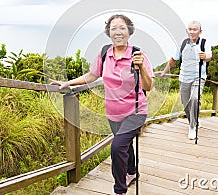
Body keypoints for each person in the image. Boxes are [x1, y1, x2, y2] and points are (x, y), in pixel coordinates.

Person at [51, 14, 154, 195]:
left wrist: (142, 67)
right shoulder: (104, 53)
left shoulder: (138, 55)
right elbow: (92, 76)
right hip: (113, 112)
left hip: (135, 111)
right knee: (125, 145)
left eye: (122, 28)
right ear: (108, 32)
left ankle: (119, 190)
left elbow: (148, 86)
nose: (118, 32)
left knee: (117, 147)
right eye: (113, 28)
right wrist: (68, 83)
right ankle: (132, 171)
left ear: (129, 31)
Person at [160, 20, 212, 140]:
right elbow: (173, 59)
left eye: (195, 29)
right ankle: (193, 119)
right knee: (186, 104)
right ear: (187, 31)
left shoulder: (204, 43)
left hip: (198, 77)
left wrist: (205, 57)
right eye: (190, 29)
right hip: (183, 78)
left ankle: (192, 126)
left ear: (200, 31)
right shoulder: (183, 43)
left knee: (194, 98)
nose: (192, 32)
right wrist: (164, 71)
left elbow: (209, 56)